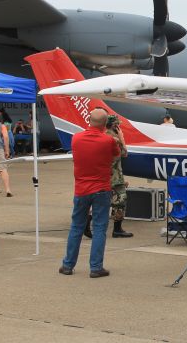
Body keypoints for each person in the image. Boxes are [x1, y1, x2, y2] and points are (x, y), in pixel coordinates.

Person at [59, 108, 120, 278]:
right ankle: (95, 267)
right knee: (99, 228)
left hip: (81, 189)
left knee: (76, 227)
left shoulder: (76, 138)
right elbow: (117, 156)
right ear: (105, 124)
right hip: (101, 188)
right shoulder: (109, 141)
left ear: (89, 120)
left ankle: (67, 265)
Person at [106, 115, 133, 238]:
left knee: (99, 201)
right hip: (114, 177)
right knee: (120, 201)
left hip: (104, 175)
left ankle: (87, 224)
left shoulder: (103, 135)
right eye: (118, 125)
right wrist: (122, 140)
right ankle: (117, 229)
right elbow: (123, 154)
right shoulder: (113, 138)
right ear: (114, 125)